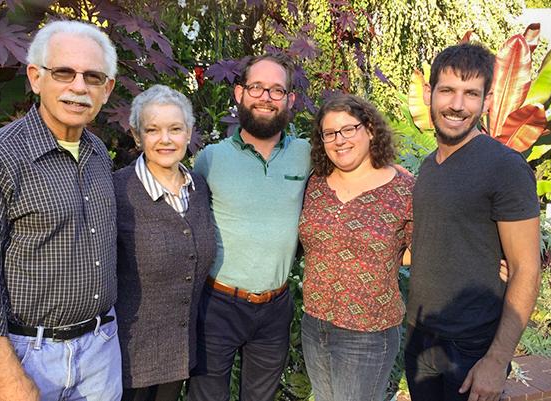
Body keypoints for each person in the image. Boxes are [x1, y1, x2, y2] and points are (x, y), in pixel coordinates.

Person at [0, 20, 120, 401]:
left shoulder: (97, 155)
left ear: (107, 90)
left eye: (92, 77)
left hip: (100, 352)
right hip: (24, 354)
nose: (78, 87)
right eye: (64, 72)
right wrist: (8, 376)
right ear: (36, 77)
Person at [404, 42, 542, 401]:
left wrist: (497, 360)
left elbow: (526, 268)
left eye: (470, 93)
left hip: (472, 347)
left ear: (488, 100)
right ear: (429, 93)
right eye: (447, 90)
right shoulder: (429, 166)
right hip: (421, 336)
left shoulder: (506, 168)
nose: (456, 105)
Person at [187, 53, 312, 401]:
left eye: (277, 90)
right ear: (239, 93)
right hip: (218, 305)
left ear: (290, 99)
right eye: (257, 87)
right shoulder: (211, 158)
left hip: (275, 308)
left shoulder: (307, 154)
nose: (266, 98)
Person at [298, 94, 414, 401]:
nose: (340, 140)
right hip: (314, 324)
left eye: (349, 129)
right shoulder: (315, 184)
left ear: (371, 130)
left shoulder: (403, 188)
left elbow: (426, 249)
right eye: (330, 133)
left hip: (367, 332)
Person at [114, 85, 216, 401]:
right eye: (153, 130)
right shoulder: (118, 190)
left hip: (179, 351)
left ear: (189, 133)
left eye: (175, 129)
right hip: (131, 356)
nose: (166, 139)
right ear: (137, 136)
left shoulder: (198, 187)